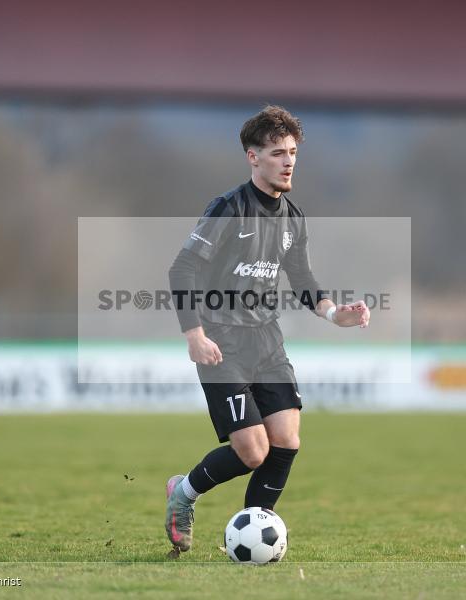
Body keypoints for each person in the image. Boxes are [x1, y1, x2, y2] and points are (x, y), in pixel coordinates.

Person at [164, 105, 370, 554]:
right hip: (222, 344)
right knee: (253, 452)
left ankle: (252, 537)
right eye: (278, 153)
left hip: (267, 341)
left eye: (293, 151)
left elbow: (304, 282)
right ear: (253, 158)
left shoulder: (293, 218)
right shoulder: (228, 209)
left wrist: (336, 314)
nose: (289, 161)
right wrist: (194, 335)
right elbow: (182, 270)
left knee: (287, 440)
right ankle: (183, 493)